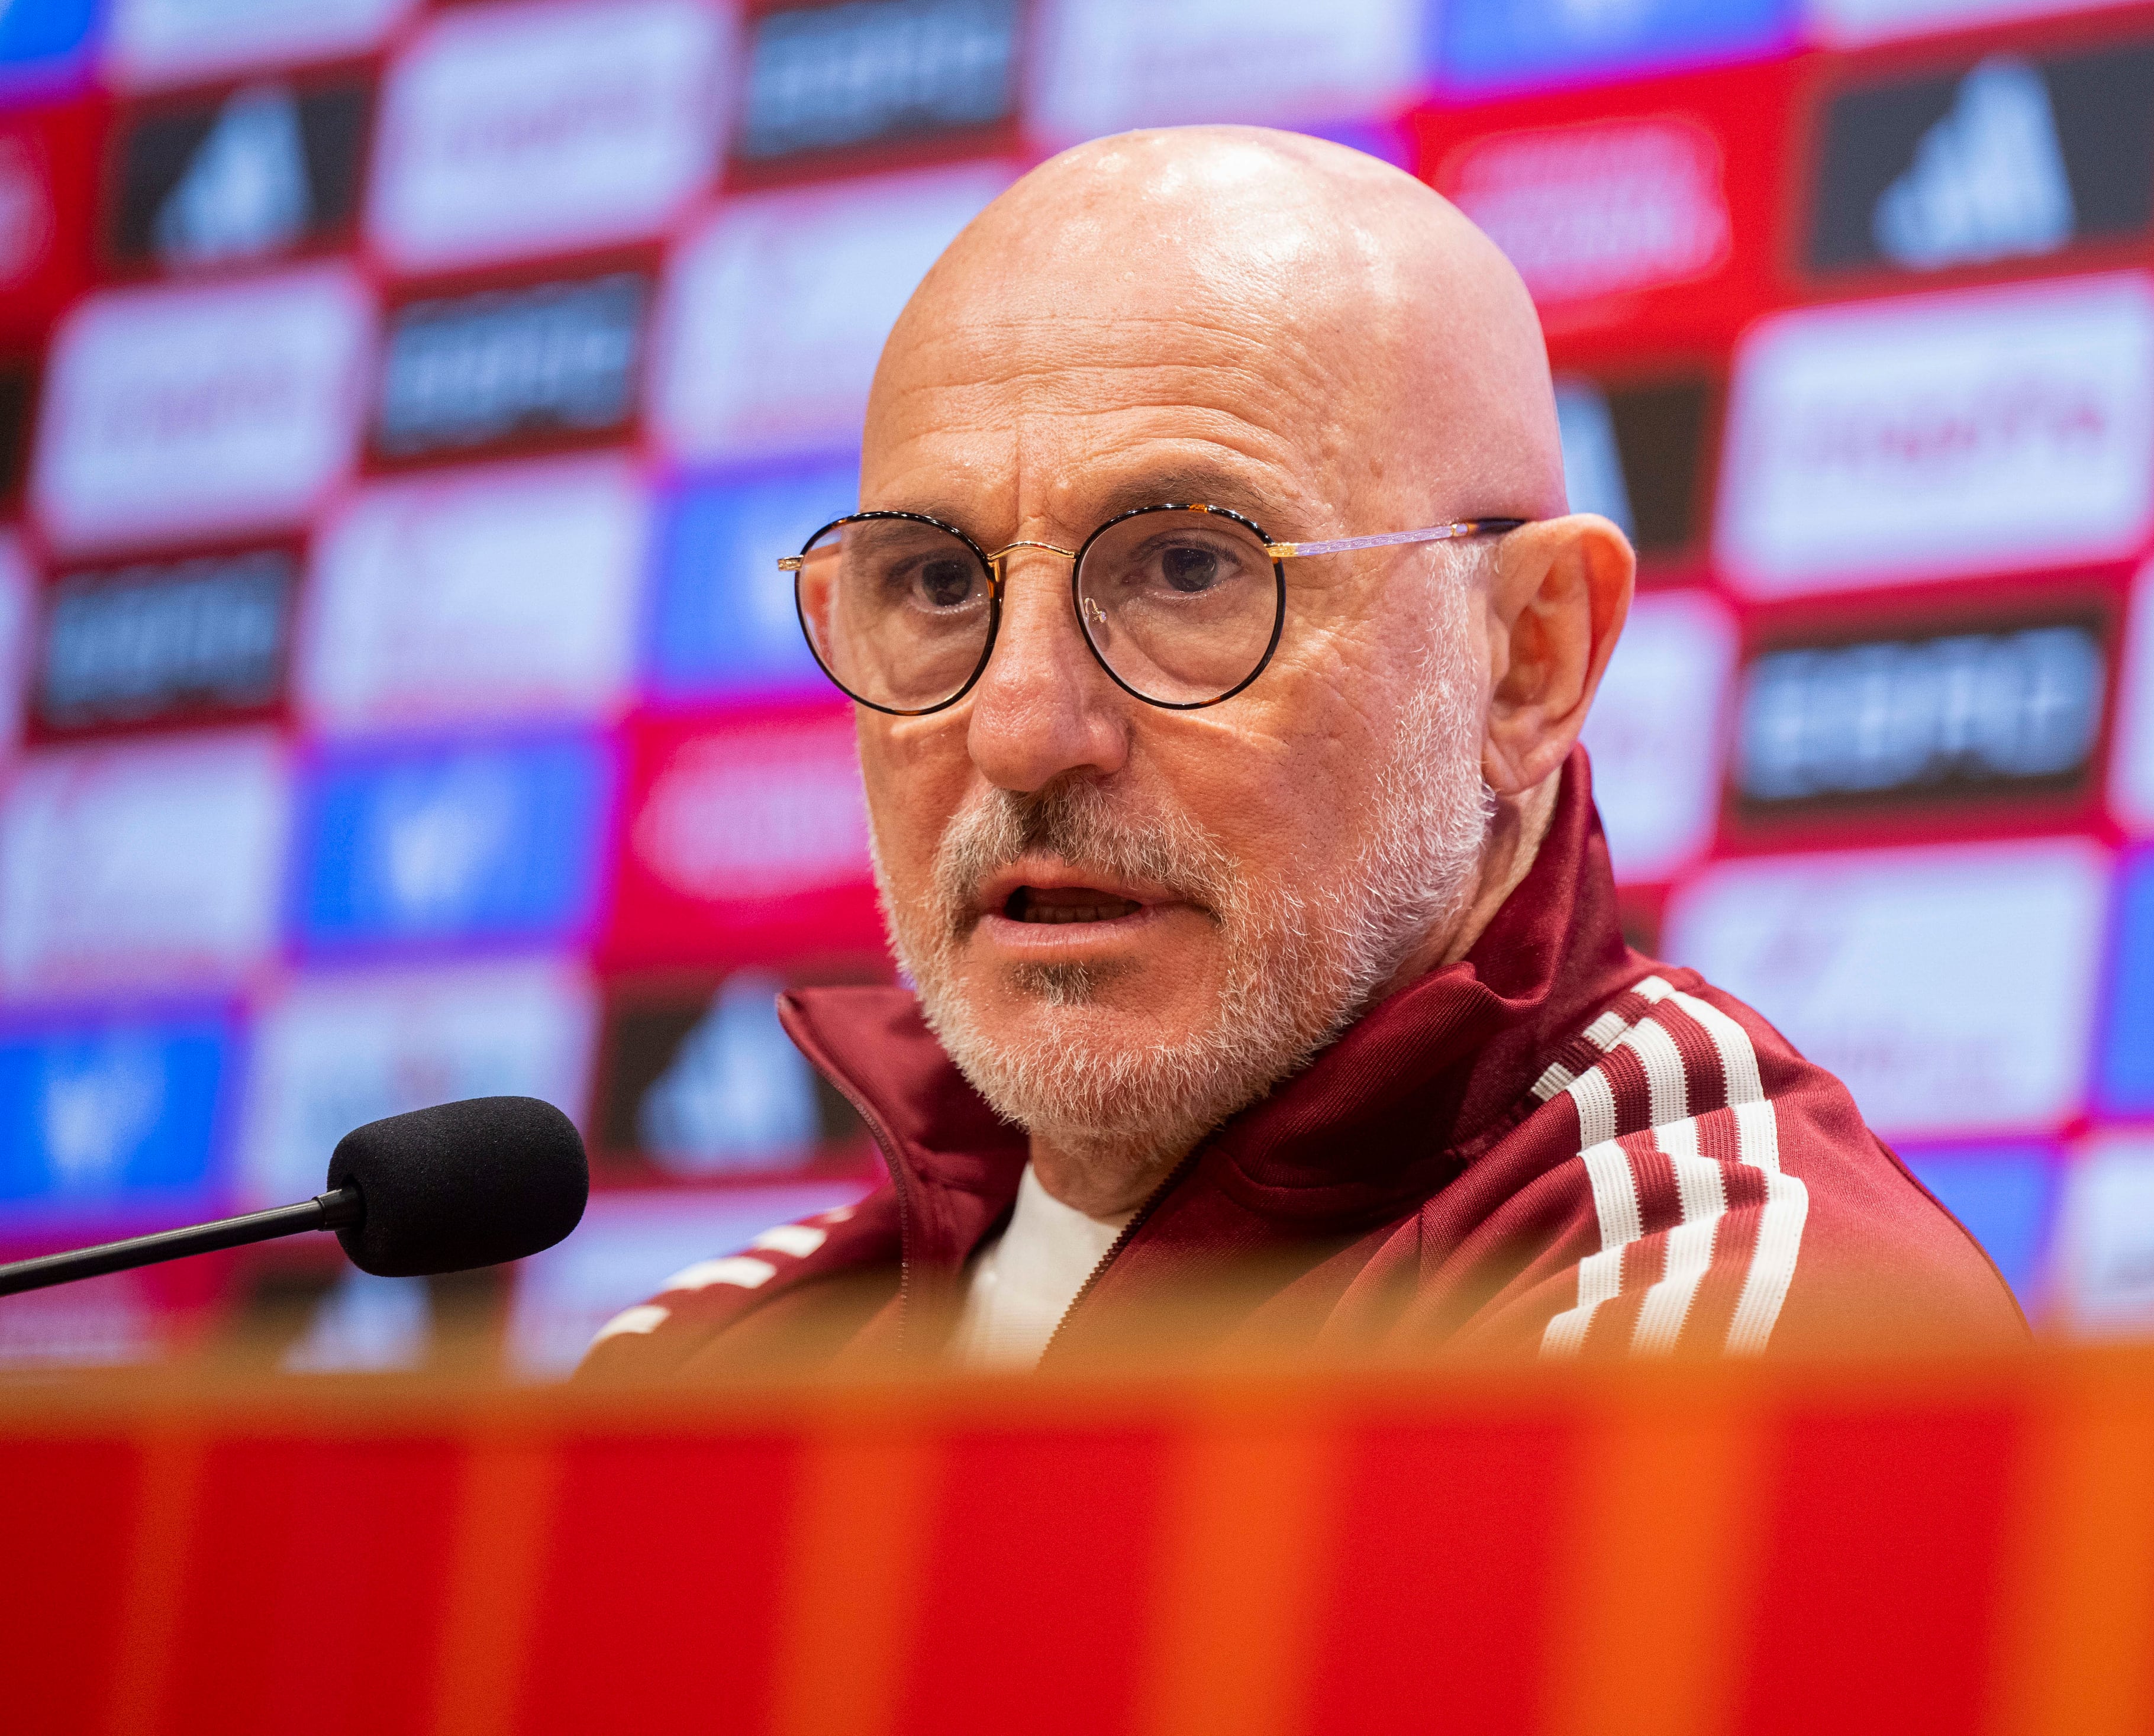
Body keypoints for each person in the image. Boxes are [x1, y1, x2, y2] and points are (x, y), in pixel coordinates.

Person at [579, 127, 2025, 1377]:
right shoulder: (702, 1365)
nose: (1019, 728)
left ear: (1529, 658)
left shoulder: (1724, 1317)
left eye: (1193, 569)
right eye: (940, 586)